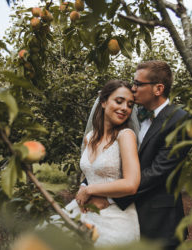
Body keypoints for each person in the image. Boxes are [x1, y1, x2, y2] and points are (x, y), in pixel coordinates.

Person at [84, 60, 189, 249]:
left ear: (158, 89)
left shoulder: (179, 120)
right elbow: (106, 156)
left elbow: (157, 172)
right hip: (118, 217)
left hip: (158, 221)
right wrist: (87, 185)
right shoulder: (131, 113)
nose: (132, 89)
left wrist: (106, 196)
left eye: (138, 84)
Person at [64, 79, 141, 246]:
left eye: (129, 105)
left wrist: (91, 189)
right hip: (85, 211)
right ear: (104, 102)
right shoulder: (89, 137)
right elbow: (89, 173)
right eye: (119, 101)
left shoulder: (125, 136)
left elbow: (131, 184)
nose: (124, 108)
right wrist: (83, 188)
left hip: (114, 218)